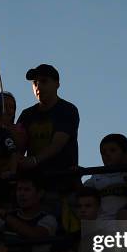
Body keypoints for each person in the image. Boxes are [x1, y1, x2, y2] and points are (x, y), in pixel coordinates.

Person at [17, 64, 80, 195]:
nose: (38, 86)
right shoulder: (27, 114)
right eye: (35, 83)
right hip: (34, 186)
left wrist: (34, 160)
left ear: (57, 84)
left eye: (44, 81)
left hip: (62, 183)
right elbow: (18, 147)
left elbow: (57, 144)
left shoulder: (67, 110)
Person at [83, 134, 127, 220]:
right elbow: (83, 197)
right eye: (103, 152)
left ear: (125, 153)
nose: (107, 154)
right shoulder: (95, 178)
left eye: (112, 150)